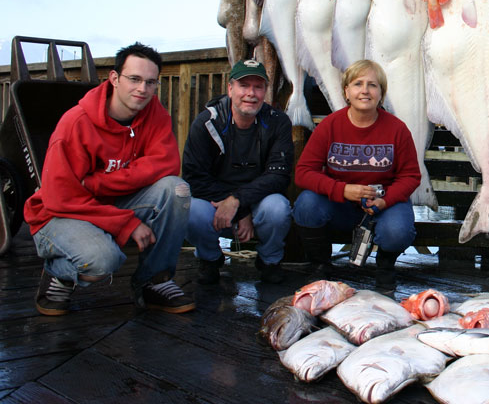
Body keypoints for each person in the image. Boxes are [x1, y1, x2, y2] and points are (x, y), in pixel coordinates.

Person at [25, 43, 194, 316]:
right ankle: (58, 272)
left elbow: (166, 163)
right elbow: (60, 198)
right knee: (103, 261)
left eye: (150, 82)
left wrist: (97, 183)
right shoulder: (76, 123)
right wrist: (125, 223)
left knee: (176, 189)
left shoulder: (154, 113)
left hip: (107, 201)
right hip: (60, 214)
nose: (142, 89)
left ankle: (154, 280)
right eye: (134, 79)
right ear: (115, 79)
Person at [293, 60, 420, 291]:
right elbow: (303, 173)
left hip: (383, 205)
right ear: (346, 92)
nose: (365, 90)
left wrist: (385, 200)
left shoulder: (397, 129)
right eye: (357, 84)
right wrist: (341, 190)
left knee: (398, 230)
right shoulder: (329, 126)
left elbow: (411, 176)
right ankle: (321, 265)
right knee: (306, 204)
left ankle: (385, 269)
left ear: (381, 93)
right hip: (340, 205)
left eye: (373, 85)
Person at [182, 59, 293, 285]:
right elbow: (194, 177)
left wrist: (238, 201)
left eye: (258, 86)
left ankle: (270, 261)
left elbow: (278, 176)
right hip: (218, 202)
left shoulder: (278, 122)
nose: (251, 93)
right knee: (190, 209)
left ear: (265, 91)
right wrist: (239, 209)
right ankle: (210, 259)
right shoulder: (206, 122)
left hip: (256, 201)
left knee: (278, 208)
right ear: (230, 88)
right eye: (244, 85)